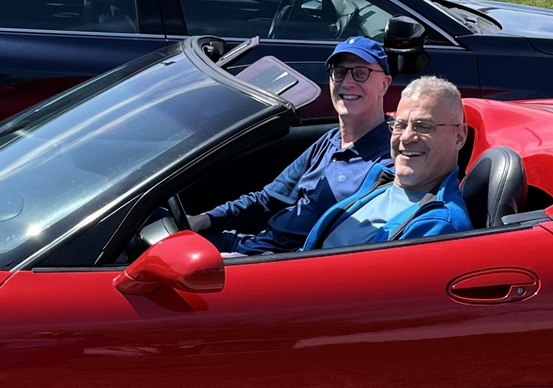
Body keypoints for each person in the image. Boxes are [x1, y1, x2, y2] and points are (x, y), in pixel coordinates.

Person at [188, 37, 393, 255]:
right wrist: (205, 219)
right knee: (161, 232)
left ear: (384, 84)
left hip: (280, 263)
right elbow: (267, 200)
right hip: (255, 243)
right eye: (339, 72)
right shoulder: (329, 142)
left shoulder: (390, 159)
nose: (348, 82)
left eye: (361, 73)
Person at [303, 76, 472, 250]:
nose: (406, 137)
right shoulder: (379, 184)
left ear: (459, 137)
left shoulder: (438, 227)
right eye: (400, 125)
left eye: (423, 126)